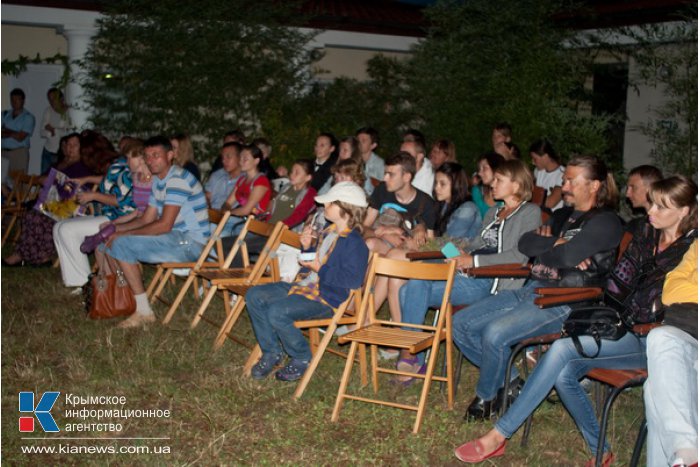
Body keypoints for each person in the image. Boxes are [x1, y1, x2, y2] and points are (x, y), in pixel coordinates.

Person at [454, 175, 696, 466]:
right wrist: (567, 253)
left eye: (661, 207)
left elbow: (654, 297)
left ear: (684, 211)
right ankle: (601, 452)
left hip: (657, 341)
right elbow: (618, 284)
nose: (650, 212)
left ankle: (498, 436)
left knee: (560, 350)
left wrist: (626, 292)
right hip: (622, 327)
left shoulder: (688, 250)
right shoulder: (645, 234)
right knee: (563, 369)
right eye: (652, 204)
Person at [454, 154, 623, 420]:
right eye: (564, 179)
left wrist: (553, 247)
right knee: (460, 324)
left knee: (494, 333)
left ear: (594, 185)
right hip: (531, 288)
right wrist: (557, 245)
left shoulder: (606, 222)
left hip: (566, 301)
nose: (563, 186)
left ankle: (486, 399)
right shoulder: (563, 215)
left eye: (570, 181)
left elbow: (565, 256)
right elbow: (525, 244)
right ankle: (511, 382)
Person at [396, 160, 541, 379]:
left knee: (418, 281)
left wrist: (473, 262)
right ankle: (415, 358)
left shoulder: (529, 212)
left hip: (488, 280)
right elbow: (476, 244)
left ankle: (409, 354)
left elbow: (518, 256)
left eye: (499, 180)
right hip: (466, 271)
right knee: (406, 289)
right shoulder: (493, 211)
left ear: (517, 184)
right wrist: (450, 251)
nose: (492, 183)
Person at [245, 181, 369, 381]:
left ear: (345, 209)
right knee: (254, 295)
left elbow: (353, 280)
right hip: (304, 287)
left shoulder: (355, 244)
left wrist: (320, 268)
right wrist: (307, 248)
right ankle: (272, 352)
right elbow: (314, 266)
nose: (324, 207)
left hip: (327, 298)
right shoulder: (329, 232)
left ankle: (301, 356)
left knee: (277, 311)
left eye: (329, 204)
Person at [98, 136, 209, 328]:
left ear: (170, 155)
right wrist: (115, 228)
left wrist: (123, 235)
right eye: (147, 156)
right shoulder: (159, 180)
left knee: (122, 244)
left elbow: (164, 225)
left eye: (156, 155)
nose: (151, 161)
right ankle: (116, 299)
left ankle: (143, 311)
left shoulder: (177, 180)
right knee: (109, 241)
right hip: (173, 237)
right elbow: (146, 219)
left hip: (191, 244)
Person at [54, 138, 147, 287]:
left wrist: (94, 196)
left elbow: (125, 203)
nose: (122, 150)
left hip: (120, 217)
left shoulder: (139, 176)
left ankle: (87, 282)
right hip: (111, 215)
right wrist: (86, 180)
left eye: (130, 155)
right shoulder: (126, 167)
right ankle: (76, 281)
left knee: (67, 230)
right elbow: (109, 180)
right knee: (59, 227)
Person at [2, 132, 95, 268]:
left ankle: (39, 257)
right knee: (31, 215)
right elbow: (40, 178)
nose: (70, 148)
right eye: (68, 145)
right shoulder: (61, 164)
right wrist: (48, 180)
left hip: (68, 209)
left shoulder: (85, 166)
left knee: (39, 218)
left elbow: (84, 189)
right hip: (51, 205)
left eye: (75, 145)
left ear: (82, 147)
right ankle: (24, 255)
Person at [644, 239, 697, 467]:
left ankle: (685, 454)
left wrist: (691, 291)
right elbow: (670, 289)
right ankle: (687, 450)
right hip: (690, 334)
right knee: (660, 337)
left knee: (654, 389)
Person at [362, 151, 437, 256]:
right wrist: (385, 234)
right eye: (385, 173)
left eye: (391, 175)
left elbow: (430, 246)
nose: (385, 178)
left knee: (394, 254)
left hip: (407, 251)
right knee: (369, 243)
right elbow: (363, 228)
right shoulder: (382, 190)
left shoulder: (425, 203)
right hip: (381, 242)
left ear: (406, 177)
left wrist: (404, 238)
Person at [221, 144, 272, 235]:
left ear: (256, 161)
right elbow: (228, 203)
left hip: (253, 226)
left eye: (245, 159)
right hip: (240, 221)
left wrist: (227, 213)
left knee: (219, 234)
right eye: (240, 158)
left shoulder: (261, 181)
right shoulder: (242, 180)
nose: (241, 162)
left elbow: (246, 210)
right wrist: (226, 211)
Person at [2, 88, 35, 174]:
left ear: (23, 101)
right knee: (3, 182)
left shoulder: (28, 117)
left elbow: (20, 137)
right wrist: (13, 133)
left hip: (19, 152)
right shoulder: (4, 114)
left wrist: (6, 131)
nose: (14, 102)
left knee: (19, 182)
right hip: (3, 152)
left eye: (17, 99)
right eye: (12, 100)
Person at [40, 88, 72, 174]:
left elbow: (68, 133)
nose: (51, 102)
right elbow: (42, 132)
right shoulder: (48, 111)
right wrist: (52, 132)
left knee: (58, 179)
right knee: (44, 177)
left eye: (54, 98)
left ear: (61, 98)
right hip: (47, 150)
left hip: (61, 153)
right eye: (49, 99)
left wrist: (53, 129)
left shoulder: (69, 112)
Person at [624, 164, 663, 234]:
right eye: (628, 188)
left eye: (633, 188)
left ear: (650, 189)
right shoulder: (636, 226)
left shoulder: (668, 225)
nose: (627, 194)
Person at [205, 142, 243, 210]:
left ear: (240, 157)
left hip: (232, 216)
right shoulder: (217, 175)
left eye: (228, 157)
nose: (224, 161)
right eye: (222, 157)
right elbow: (207, 196)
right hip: (211, 213)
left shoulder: (245, 180)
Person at [529, 138, 564, 211]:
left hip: (552, 217)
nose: (532, 162)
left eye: (535, 159)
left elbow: (551, 202)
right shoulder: (538, 171)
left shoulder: (562, 175)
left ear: (545, 156)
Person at [472, 152, 505, 217]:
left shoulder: (507, 195)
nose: (479, 173)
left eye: (484, 168)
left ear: (496, 169)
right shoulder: (477, 192)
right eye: (479, 169)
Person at [356, 127, 384, 194]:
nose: (359, 143)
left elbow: (383, 187)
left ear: (373, 145)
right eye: (357, 140)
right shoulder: (352, 159)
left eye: (363, 141)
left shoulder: (380, 164)